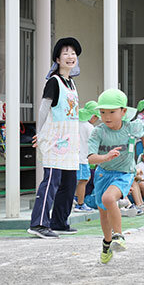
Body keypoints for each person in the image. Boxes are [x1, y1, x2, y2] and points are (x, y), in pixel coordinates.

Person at [87, 88, 144, 264]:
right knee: (104, 213)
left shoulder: (131, 127)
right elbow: (91, 157)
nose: (107, 116)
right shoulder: (98, 132)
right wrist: (105, 157)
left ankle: (119, 236)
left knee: (108, 199)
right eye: (103, 112)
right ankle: (107, 243)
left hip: (124, 173)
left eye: (112, 112)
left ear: (123, 112)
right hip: (102, 174)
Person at [28, 37, 82, 239]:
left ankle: (59, 221)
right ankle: (39, 223)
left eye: (73, 53)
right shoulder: (54, 81)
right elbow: (43, 110)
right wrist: (39, 134)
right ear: (57, 59)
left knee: (69, 183)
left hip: (70, 141)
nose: (71, 56)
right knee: (51, 181)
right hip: (54, 139)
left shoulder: (72, 83)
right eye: (66, 53)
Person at [74, 101, 100, 212]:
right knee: (83, 180)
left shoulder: (77, 123)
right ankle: (80, 204)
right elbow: (95, 143)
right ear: (93, 116)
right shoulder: (89, 127)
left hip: (74, 157)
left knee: (82, 179)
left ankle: (75, 198)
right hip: (83, 158)